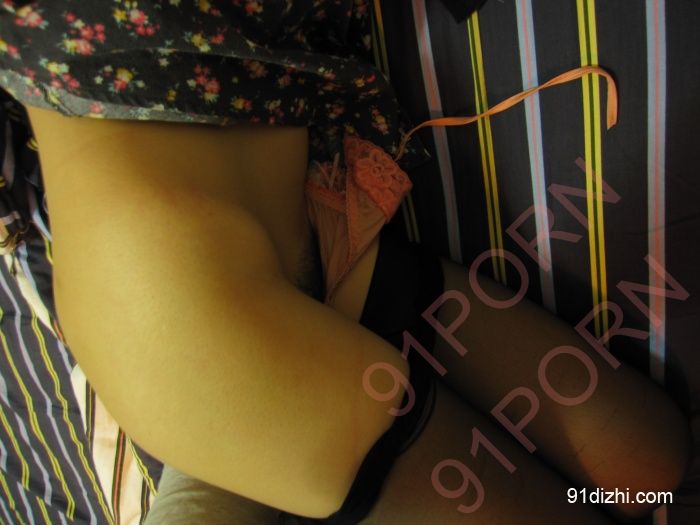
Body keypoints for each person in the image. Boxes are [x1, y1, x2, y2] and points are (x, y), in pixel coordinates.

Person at [4, 1, 690, 523]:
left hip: (304, 237)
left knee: (651, 472)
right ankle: (227, 473)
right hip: (185, 320)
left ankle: (232, 471)